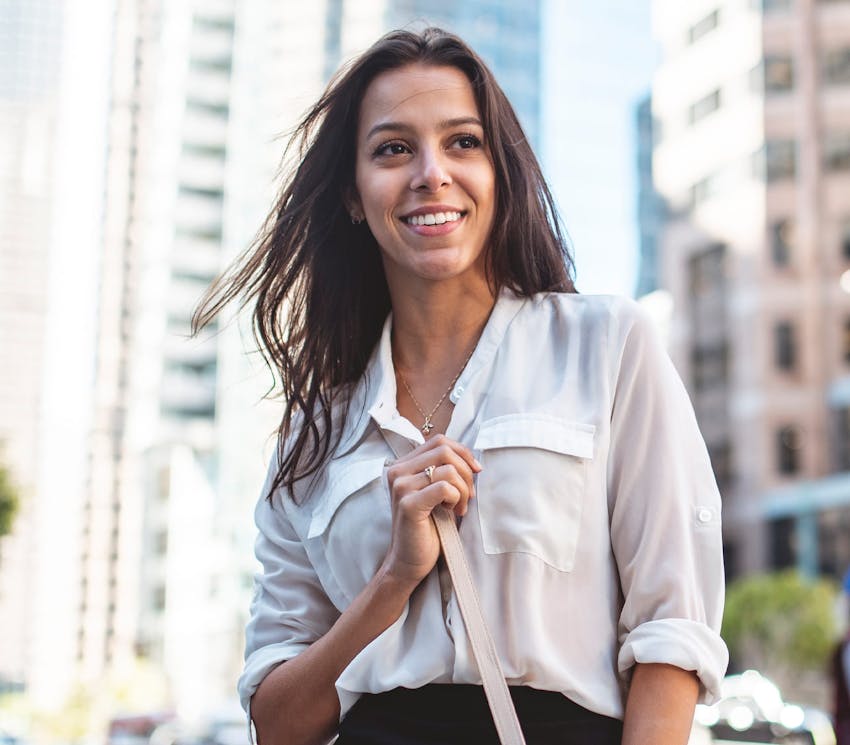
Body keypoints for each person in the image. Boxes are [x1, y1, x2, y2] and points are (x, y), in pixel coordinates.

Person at [194, 27, 728, 745]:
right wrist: (391, 579)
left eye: (462, 142)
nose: (430, 173)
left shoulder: (607, 346)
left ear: (499, 172)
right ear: (354, 195)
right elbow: (277, 722)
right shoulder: (313, 428)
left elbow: (674, 633)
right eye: (392, 149)